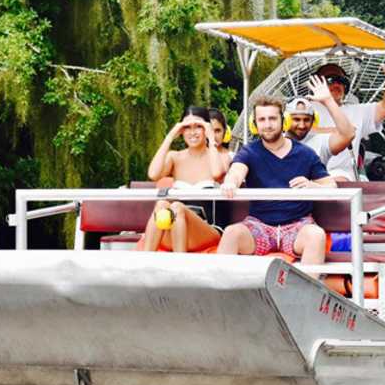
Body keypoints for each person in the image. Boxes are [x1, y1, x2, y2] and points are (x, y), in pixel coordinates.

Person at [217, 96, 337, 265]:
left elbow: (331, 185)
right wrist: (231, 182)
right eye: (262, 119)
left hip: (298, 225)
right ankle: (225, 291)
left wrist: (312, 186)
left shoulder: (306, 153)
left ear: (284, 121)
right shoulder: (249, 152)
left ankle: (304, 291)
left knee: (316, 236)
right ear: (255, 124)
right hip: (259, 225)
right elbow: (236, 171)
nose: (267, 124)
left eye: (272, 118)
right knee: (231, 233)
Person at [140, 106, 230, 253]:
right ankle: (145, 263)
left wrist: (211, 138)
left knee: (177, 208)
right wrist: (169, 137)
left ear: (207, 128)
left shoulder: (222, 157)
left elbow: (216, 173)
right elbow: (153, 174)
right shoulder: (175, 157)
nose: (192, 132)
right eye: (187, 127)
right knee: (162, 204)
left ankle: (180, 265)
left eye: (198, 127)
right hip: (175, 229)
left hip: (208, 230)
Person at [313, 44, 385, 181]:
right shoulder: (303, 108)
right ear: (316, 83)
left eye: (341, 81)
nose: (337, 84)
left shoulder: (356, 111)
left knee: (334, 180)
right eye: (330, 80)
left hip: (340, 176)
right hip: (306, 171)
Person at [285, 75, 355, 174]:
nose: (302, 125)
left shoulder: (320, 142)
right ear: (285, 119)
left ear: (314, 121)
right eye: (296, 119)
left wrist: (328, 100)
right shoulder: (274, 141)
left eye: (306, 120)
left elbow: (349, 134)